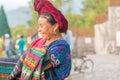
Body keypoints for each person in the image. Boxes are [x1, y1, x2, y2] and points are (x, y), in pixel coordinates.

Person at [8, 0, 71, 80]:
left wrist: (27, 55)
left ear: (55, 27)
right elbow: (24, 60)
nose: (38, 30)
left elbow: (35, 64)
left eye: (41, 26)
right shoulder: (40, 42)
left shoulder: (62, 47)